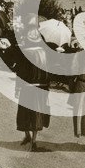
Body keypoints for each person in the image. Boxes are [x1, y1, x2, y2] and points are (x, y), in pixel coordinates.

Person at [14, 14, 51, 152]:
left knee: (25, 113)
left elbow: (20, 71)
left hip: (29, 86)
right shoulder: (43, 46)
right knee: (36, 113)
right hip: (39, 85)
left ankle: (29, 137)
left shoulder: (25, 46)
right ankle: (32, 139)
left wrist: (18, 87)